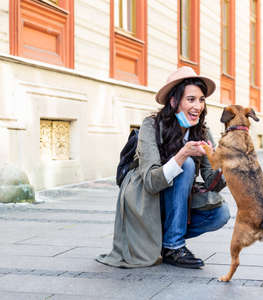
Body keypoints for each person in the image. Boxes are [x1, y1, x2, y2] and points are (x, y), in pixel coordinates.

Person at [96, 66, 230, 269]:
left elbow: (213, 182)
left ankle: (166, 241)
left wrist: (224, 162)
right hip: (144, 198)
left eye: (201, 100)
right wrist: (183, 153)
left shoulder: (202, 131)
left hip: (174, 200)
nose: (198, 106)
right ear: (174, 101)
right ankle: (173, 245)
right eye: (191, 99)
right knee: (185, 163)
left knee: (220, 214)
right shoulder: (151, 126)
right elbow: (150, 182)